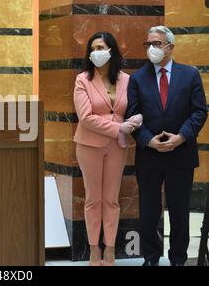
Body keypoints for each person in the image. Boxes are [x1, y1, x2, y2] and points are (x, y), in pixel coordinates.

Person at [126, 25, 207, 266]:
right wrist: (148, 140)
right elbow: (132, 114)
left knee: (180, 212)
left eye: (157, 44)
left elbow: (200, 112)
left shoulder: (190, 75)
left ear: (170, 47)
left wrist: (180, 137)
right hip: (149, 156)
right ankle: (150, 259)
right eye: (148, 44)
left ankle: (178, 259)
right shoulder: (138, 78)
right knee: (149, 213)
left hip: (180, 154)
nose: (151, 48)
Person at [73, 32, 142, 266]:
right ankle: (94, 249)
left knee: (111, 200)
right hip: (89, 145)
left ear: (111, 50)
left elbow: (130, 109)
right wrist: (119, 128)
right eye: (93, 48)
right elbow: (85, 117)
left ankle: (110, 249)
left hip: (117, 147)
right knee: (93, 199)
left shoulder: (126, 80)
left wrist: (135, 120)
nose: (96, 52)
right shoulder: (83, 79)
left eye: (101, 47)